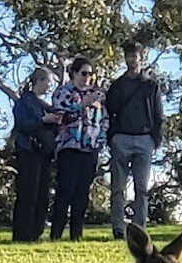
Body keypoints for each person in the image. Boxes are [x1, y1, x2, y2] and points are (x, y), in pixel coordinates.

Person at [105, 41, 164, 240]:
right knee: (118, 187)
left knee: (141, 187)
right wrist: (112, 137)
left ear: (141, 58)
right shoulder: (117, 85)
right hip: (121, 137)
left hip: (144, 138)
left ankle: (139, 228)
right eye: (129, 55)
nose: (132, 59)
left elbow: (158, 114)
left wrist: (155, 139)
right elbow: (109, 111)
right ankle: (118, 228)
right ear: (125, 58)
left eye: (135, 56)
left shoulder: (151, 85)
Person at [50, 57, 109, 242]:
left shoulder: (98, 95)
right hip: (69, 147)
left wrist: (100, 138)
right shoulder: (63, 92)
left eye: (91, 74)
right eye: (84, 73)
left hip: (89, 148)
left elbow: (103, 118)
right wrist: (81, 105)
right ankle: (56, 234)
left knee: (82, 193)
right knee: (65, 191)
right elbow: (61, 116)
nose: (88, 77)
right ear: (74, 73)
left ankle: (77, 234)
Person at [11, 68, 61, 242]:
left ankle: (36, 233)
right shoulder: (23, 102)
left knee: (42, 194)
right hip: (28, 152)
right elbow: (22, 125)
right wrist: (42, 121)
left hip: (43, 154)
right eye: (48, 81)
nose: (50, 86)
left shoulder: (44, 105)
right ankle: (22, 234)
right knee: (28, 194)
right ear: (39, 81)